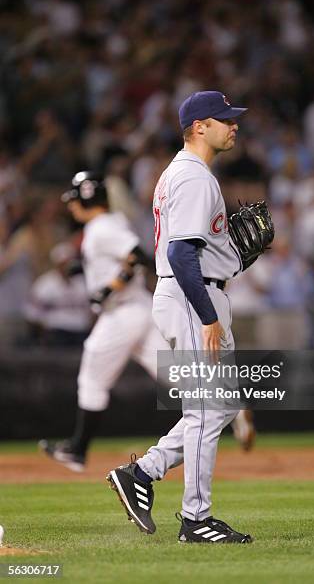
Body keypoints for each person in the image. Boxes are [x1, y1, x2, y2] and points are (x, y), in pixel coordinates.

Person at [107, 91, 254, 544]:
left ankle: (142, 472)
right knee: (207, 406)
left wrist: (227, 258)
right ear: (199, 126)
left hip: (194, 291)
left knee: (222, 405)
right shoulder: (192, 177)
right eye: (224, 119)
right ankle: (196, 519)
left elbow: (193, 250)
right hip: (192, 298)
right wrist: (208, 316)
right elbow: (180, 253)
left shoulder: (185, 174)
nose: (234, 126)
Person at [39, 171, 168, 471]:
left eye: (73, 200)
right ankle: (226, 405)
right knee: (175, 373)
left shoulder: (101, 227)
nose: (70, 207)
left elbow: (138, 257)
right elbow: (128, 257)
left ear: (84, 200)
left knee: (92, 377)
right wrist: (84, 271)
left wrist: (111, 287)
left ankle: (77, 450)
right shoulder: (111, 222)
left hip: (122, 312)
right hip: (138, 307)